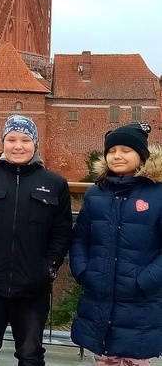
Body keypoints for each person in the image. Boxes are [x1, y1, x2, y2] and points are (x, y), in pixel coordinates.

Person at [0, 115, 72, 366]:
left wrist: (49, 267)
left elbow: (62, 231)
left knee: (30, 355)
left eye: (25, 139)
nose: (18, 146)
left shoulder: (54, 183)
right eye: (11, 139)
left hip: (33, 288)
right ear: (3, 142)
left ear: (36, 144)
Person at [70, 123, 162, 365]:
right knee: (103, 357)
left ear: (141, 155)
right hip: (99, 297)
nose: (117, 156)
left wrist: (146, 280)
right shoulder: (95, 193)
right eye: (112, 151)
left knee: (136, 358)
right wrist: (83, 271)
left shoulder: (158, 193)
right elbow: (80, 238)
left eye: (125, 150)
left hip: (139, 301)